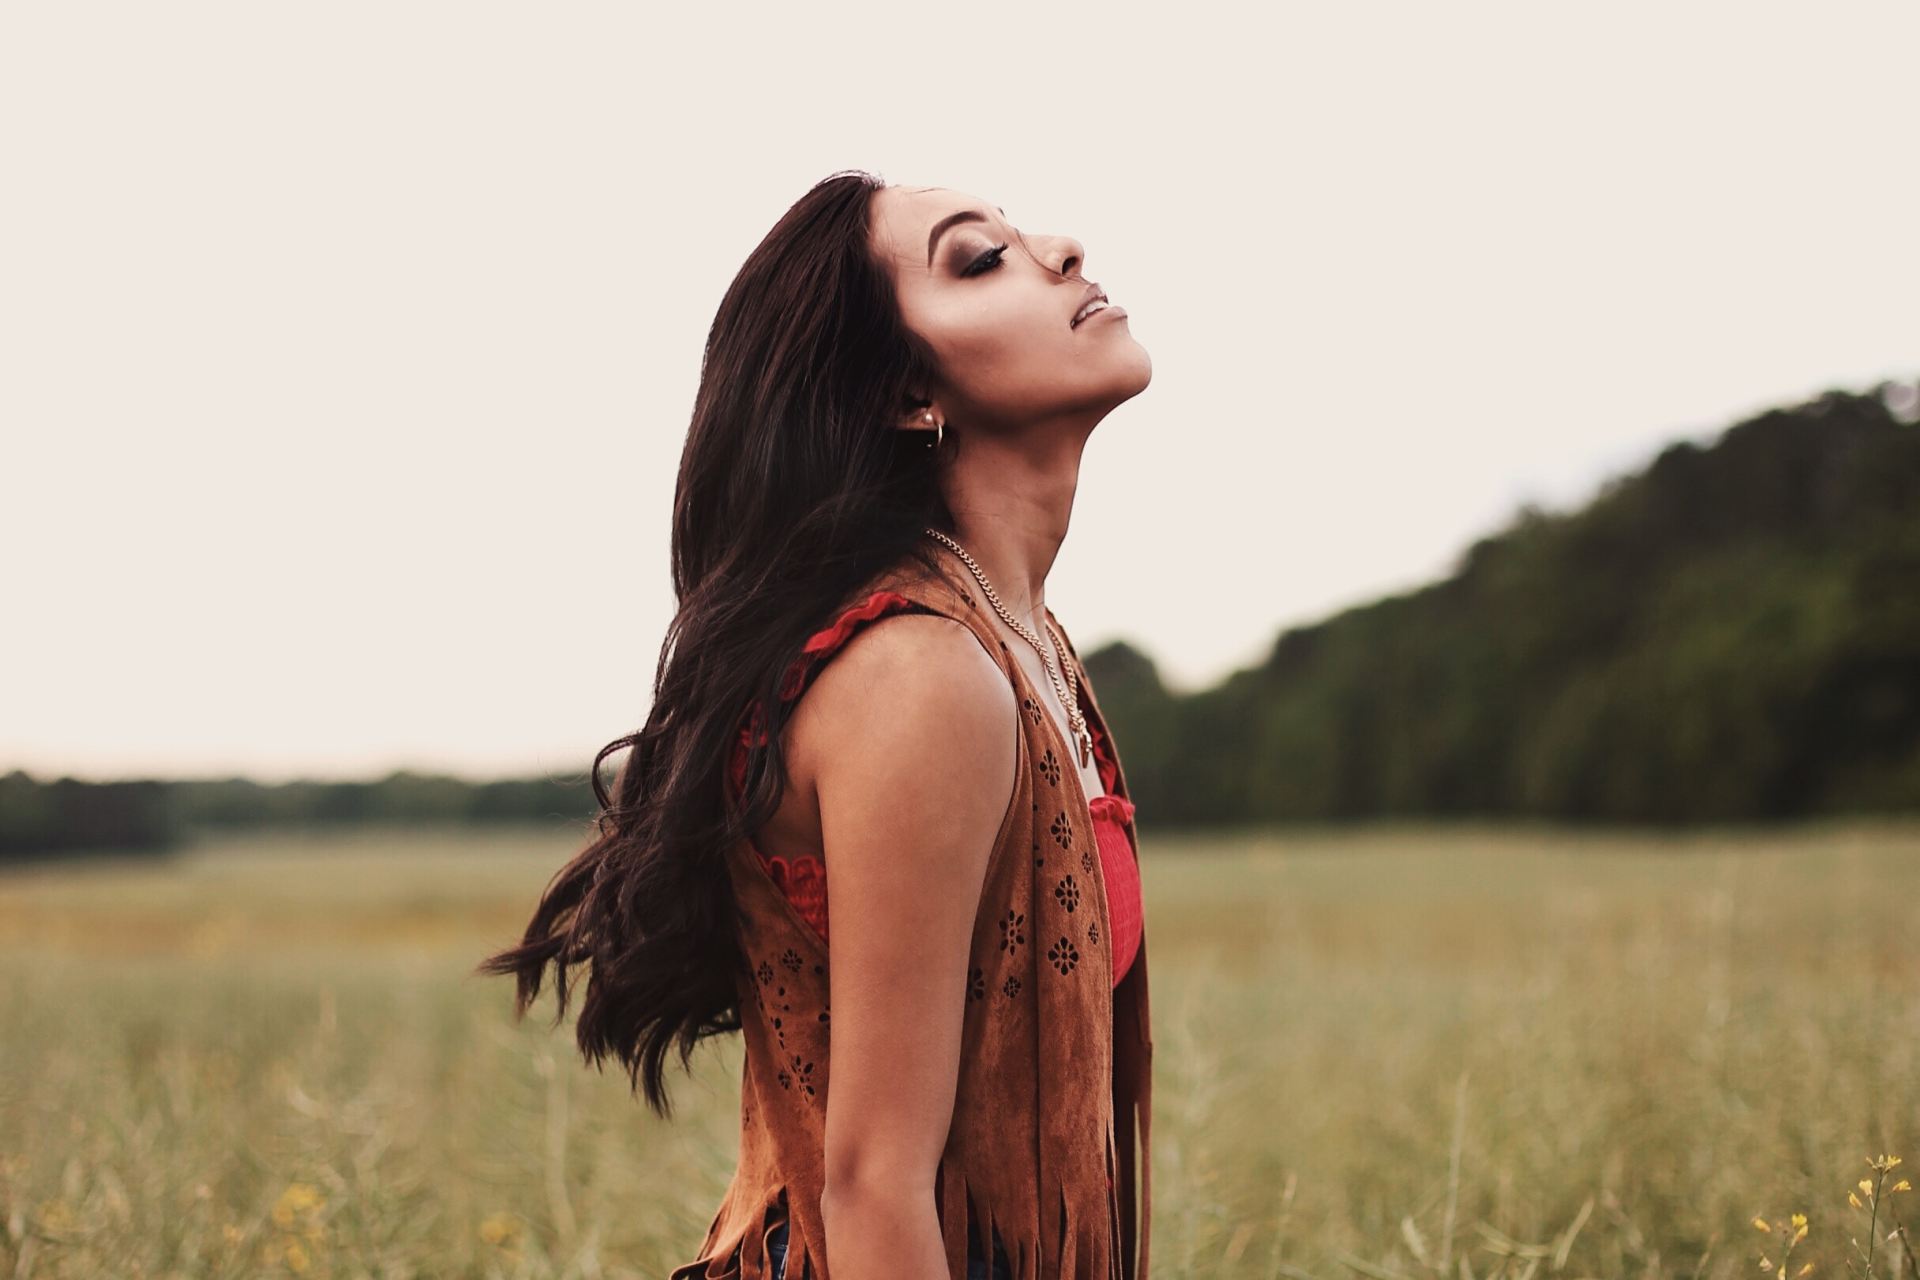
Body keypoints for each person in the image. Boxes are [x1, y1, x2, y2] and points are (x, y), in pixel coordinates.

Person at [478, 170, 1156, 1280]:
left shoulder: (1024, 643)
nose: (1064, 248)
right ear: (905, 392)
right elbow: (874, 1180)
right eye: (979, 258)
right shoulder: (920, 673)